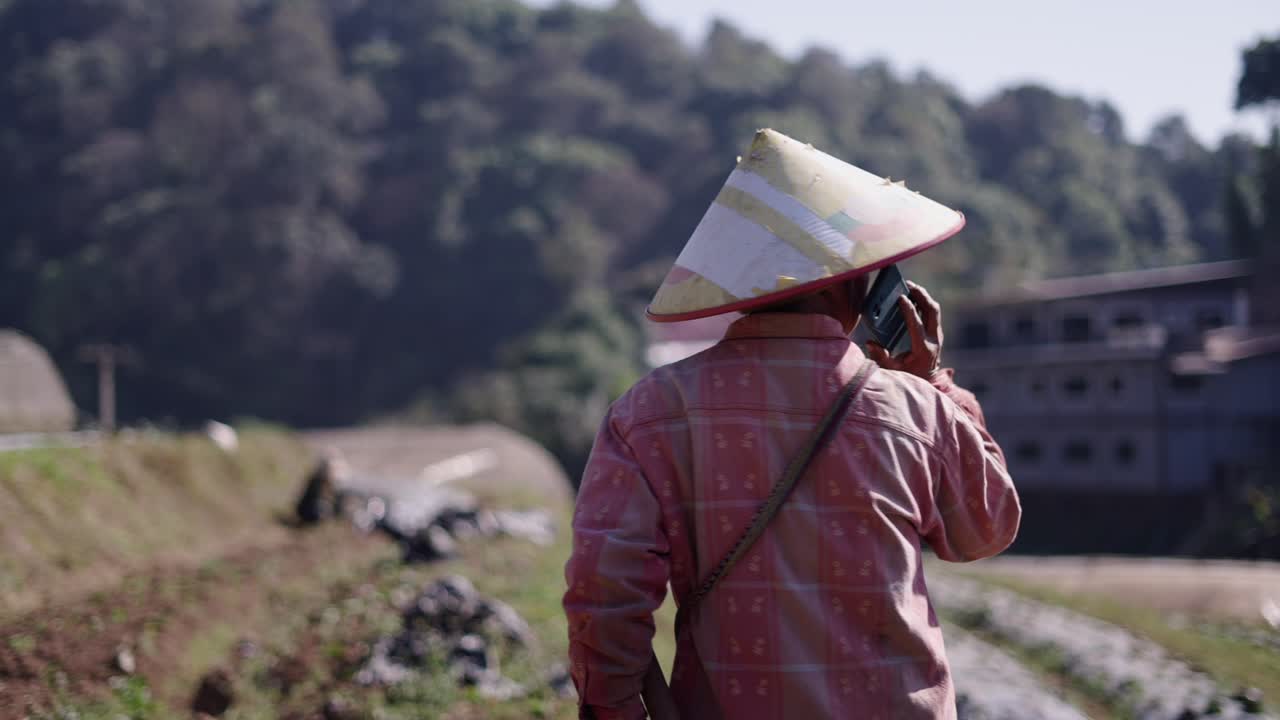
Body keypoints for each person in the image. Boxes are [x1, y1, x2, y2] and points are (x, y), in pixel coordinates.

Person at [563, 129, 1020, 719]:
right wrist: (930, 380)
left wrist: (614, 708)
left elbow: (604, 594)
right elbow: (986, 529)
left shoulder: (650, 413)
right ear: (858, 282)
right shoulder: (916, 410)